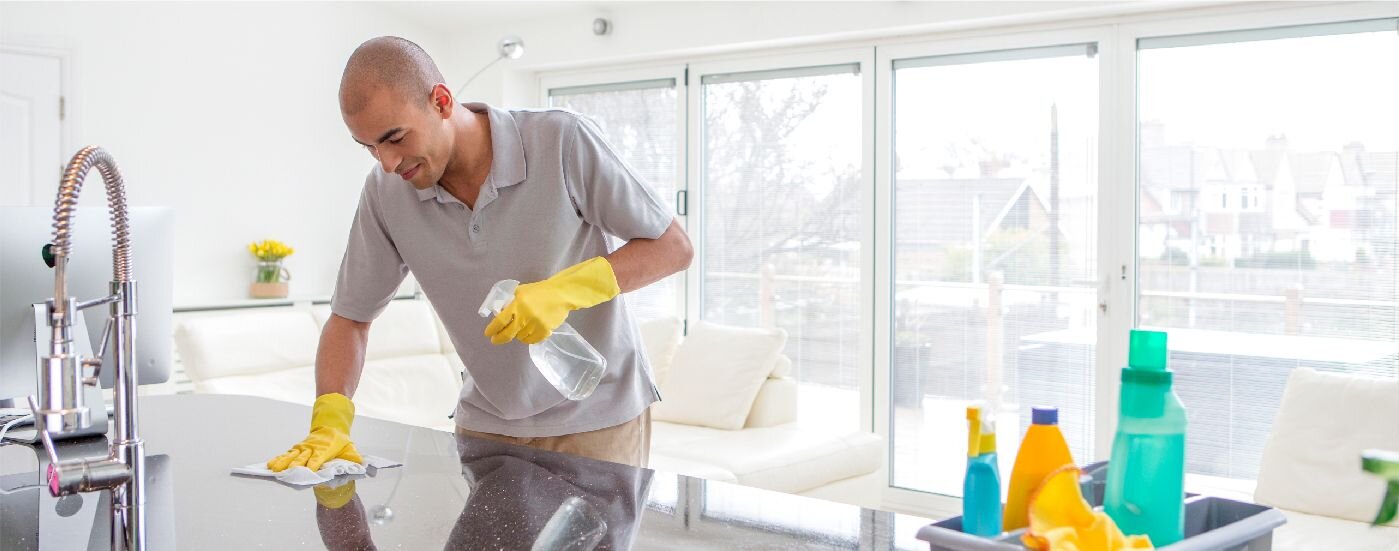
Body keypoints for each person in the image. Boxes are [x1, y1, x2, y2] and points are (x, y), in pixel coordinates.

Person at [266, 35, 691, 471]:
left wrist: (564, 291)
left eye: (394, 138)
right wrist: (330, 422)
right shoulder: (386, 193)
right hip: (487, 425)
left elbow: (672, 248)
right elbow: (350, 318)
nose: (387, 163)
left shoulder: (561, 140)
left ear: (442, 101)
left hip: (598, 417)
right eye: (370, 147)